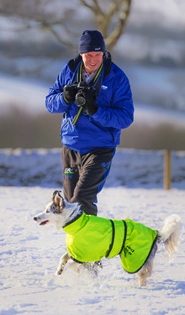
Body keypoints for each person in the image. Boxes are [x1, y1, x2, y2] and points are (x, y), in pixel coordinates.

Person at [45, 29, 134, 216]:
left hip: (100, 148)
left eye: (97, 55)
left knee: (82, 198)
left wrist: (96, 110)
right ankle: (77, 244)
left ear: (103, 53)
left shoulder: (116, 77)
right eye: (88, 55)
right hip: (71, 146)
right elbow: (49, 103)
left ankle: (91, 243)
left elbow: (126, 117)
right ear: (81, 54)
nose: (93, 60)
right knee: (69, 204)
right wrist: (64, 98)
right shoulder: (69, 71)